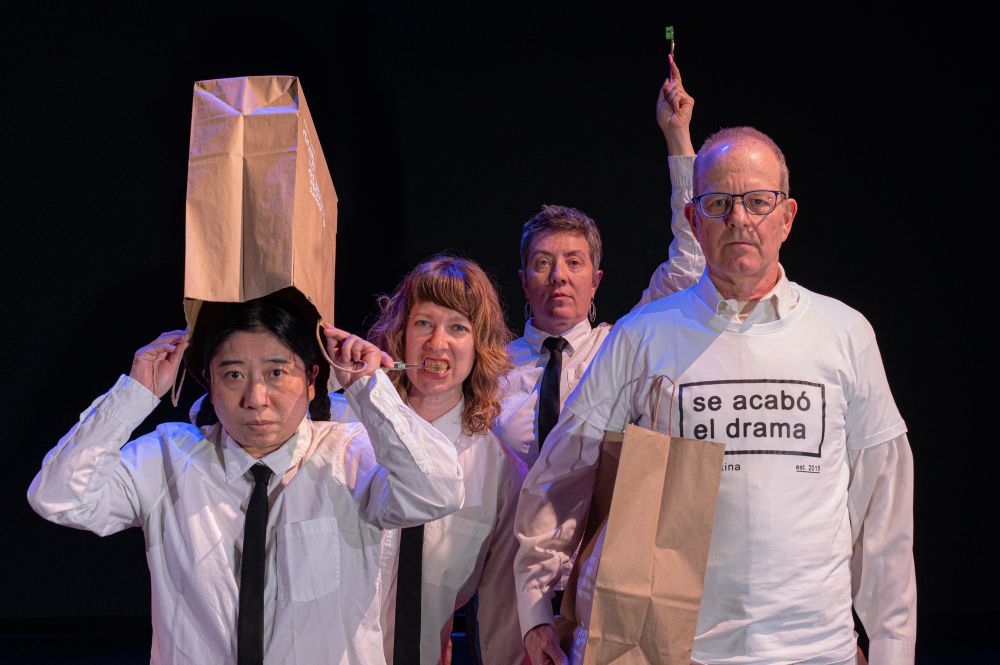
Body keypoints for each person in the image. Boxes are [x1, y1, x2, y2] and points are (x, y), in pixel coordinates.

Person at [514, 127, 916, 664]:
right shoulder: (644, 336)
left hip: (814, 649)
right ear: (693, 220)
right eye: (719, 202)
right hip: (671, 650)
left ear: (787, 216)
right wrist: (536, 609)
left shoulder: (843, 333)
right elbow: (556, 477)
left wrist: (892, 650)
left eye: (758, 201)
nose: (740, 219)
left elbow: (883, 515)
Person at [27, 295, 465, 665]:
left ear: (313, 380)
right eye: (233, 375)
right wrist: (135, 394)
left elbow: (437, 492)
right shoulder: (168, 457)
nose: (256, 399)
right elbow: (59, 497)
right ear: (210, 384)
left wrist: (368, 389)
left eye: (277, 372)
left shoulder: (349, 454)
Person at [494, 55, 703, 468]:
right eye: (542, 263)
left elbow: (690, 264)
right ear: (522, 281)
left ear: (596, 279)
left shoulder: (618, 347)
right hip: (507, 532)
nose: (558, 277)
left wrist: (678, 138)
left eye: (574, 262)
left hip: (601, 532)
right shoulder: (490, 369)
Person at [330, 256, 528, 665]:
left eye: (458, 327)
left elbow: (500, 614)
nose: (437, 343)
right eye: (423, 323)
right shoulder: (342, 427)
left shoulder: (502, 470)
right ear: (399, 334)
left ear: (480, 345)